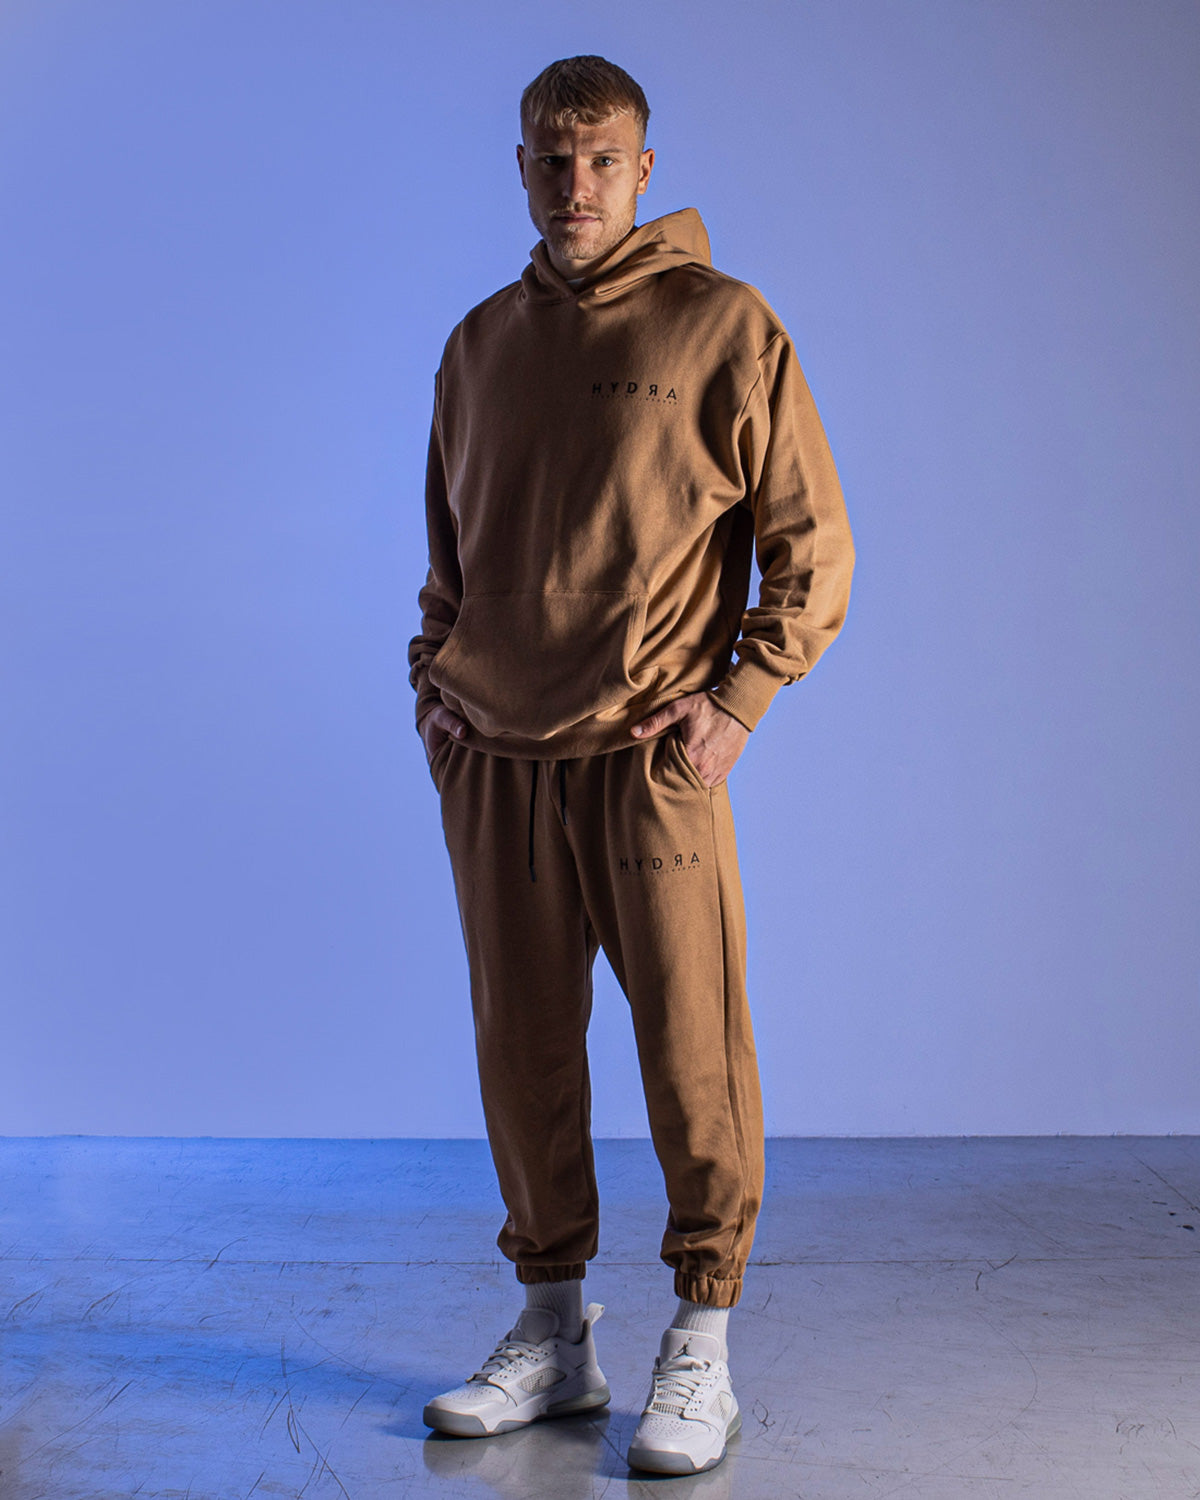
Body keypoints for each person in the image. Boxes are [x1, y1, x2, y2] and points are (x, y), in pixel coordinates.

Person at [409, 54, 854, 1476]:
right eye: (551, 159)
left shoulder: (725, 325)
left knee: (691, 1051)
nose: (576, 184)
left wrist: (739, 702)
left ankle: (702, 1338)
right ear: (521, 169)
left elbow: (811, 546)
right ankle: (554, 1332)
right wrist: (434, 691)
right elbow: (449, 557)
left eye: (602, 159)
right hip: (497, 762)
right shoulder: (479, 343)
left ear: (644, 169)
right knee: (523, 1050)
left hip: (652, 756)